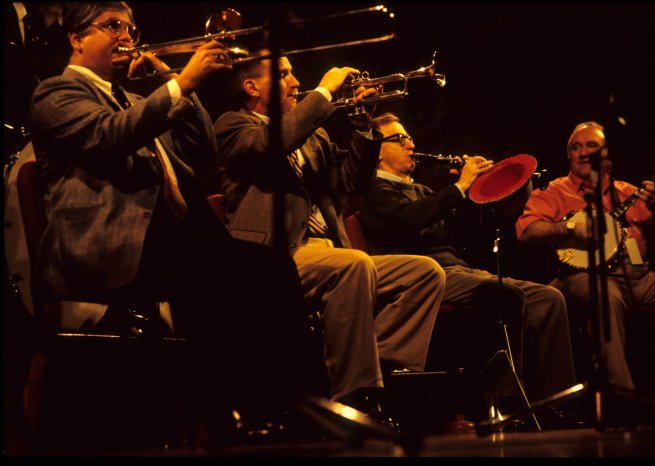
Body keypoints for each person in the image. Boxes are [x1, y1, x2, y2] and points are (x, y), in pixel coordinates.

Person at [29, 2, 311, 444]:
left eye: (132, 28)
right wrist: (181, 82)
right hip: (108, 243)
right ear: (77, 38)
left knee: (266, 268)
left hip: (166, 238)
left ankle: (267, 413)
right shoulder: (56, 92)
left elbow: (202, 144)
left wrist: (168, 77)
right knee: (258, 271)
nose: (128, 36)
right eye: (113, 26)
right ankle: (252, 415)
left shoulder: (139, 98)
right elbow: (109, 135)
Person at [213, 52, 446, 420]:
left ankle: (377, 370)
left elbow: (351, 182)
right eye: (283, 74)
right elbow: (272, 143)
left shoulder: (313, 134)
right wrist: (322, 92)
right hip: (272, 253)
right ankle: (355, 395)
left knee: (425, 273)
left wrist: (364, 126)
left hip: (329, 251)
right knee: (352, 265)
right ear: (251, 86)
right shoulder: (233, 125)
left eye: (293, 73)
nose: (294, 81)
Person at [358, 113, 578, 410]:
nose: (410, 143)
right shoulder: (372, 190)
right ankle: (503, 401)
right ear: (377, 150)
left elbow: (465, 235)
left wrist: (476, 190)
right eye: (399, 139)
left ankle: (557, 403)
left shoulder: (422, 190)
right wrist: (458, 189)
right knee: (505, 294)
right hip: (423, 278)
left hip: (459, 271)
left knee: (550, 298)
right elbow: (407, 221)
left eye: (408, 136)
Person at [516, 121, 655, 406]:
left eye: (591, 145)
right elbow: (526, 231)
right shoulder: (554, 191)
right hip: (582, 276)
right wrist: (570, 228)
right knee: (605, 300)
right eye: (576, 147)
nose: (583, 152)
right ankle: (623, 406)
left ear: (607, 153)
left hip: (638, 275)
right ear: (569, 156)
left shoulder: (628, 192)